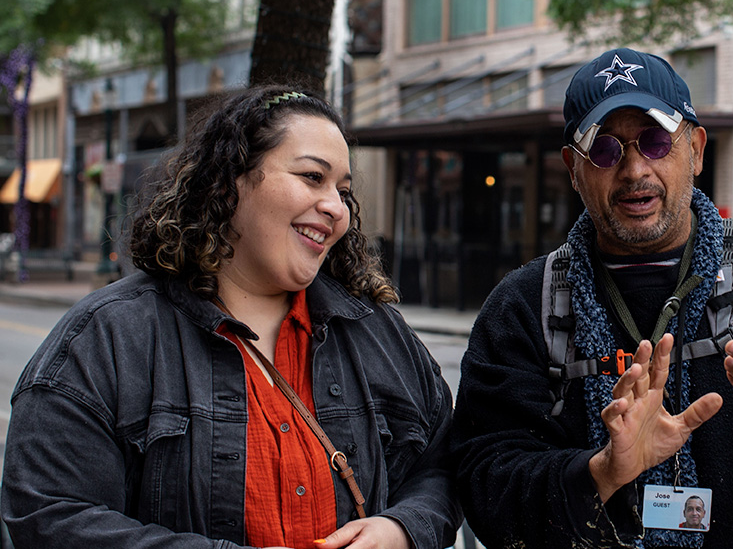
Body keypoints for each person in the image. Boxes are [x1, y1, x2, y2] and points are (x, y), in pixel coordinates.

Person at [1, 86, 462, 549]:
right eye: (311, 177)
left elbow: (445, 465)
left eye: (343, 191)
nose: (336, 208)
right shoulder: (106, 339)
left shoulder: (380, 334)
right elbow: (51, 514)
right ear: (228, 181)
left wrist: (402, 529)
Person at [450, 47, 733, 548]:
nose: (635, 170)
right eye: (605, 150)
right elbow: (481, 483)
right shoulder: (522, 308)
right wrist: (599, 473)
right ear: (573, 169)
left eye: (656, 141)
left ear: (697, 150)